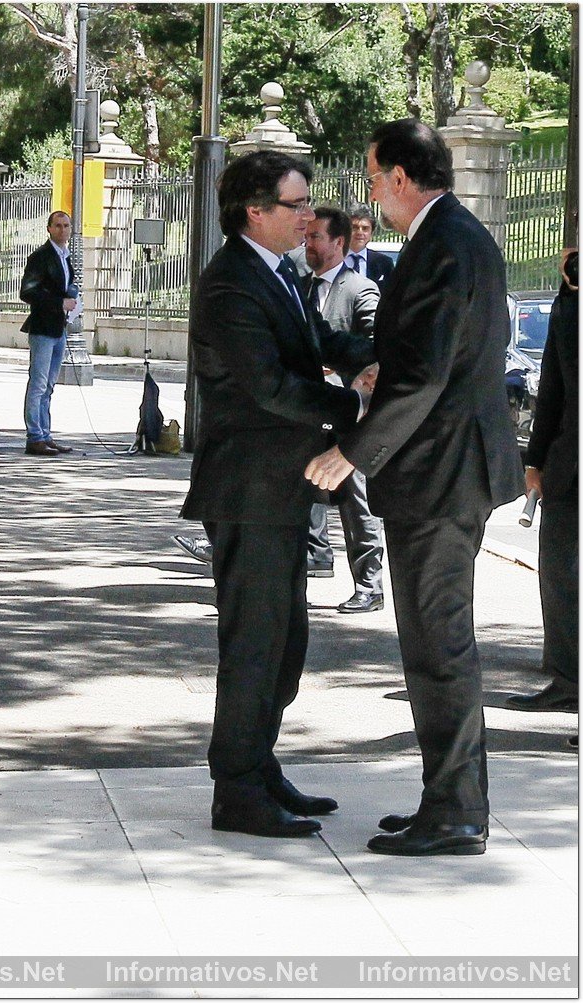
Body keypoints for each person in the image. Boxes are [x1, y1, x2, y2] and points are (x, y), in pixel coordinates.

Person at [307, 119, 525, 857]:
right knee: (433, 644)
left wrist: (354, 453)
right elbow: (422, 356)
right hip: (443, 470)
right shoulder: (449, 237)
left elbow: (429, 375)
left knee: (440, 646)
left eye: (373, 175)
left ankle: (459, 811)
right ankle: (447, 797)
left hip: (442, 475)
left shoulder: (447, 243)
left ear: (402, 178)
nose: (369, 189)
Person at [181, 150, 374, 840]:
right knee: (256, 643)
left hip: (281, 487)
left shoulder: (276, 270)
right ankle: (236, 787)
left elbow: (314, 339)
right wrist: (349, 405)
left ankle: (258, 764)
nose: (309, 216)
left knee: (285, 640)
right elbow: (267, 385)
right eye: (295, 205)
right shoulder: (232, 283)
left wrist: (365, 357)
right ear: (254, 211)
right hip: (249, 488)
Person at [301, 206, 385, 612]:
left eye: (317, 237)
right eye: (307, 236)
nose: (308, 243)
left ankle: (369, 583)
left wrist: (343, 367)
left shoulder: (360, 289)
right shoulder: (297, 287)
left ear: (339, 242)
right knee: (307, 483)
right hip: (309, 407)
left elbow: (374, 353)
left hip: (349, 410)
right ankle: (314, 555)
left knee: (355, 496)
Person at [507, 248, 578, 714]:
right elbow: (553, 380)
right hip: (570, 460)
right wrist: (536, 459)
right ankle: (568, 679)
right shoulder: (569, 298)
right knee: (560, 574)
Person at [17, 210, 78, 455]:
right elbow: (27, 292)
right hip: (42, 328)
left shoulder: (65, 257)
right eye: (58, 226)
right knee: (39, 384)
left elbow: (63, 286)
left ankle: (46, 433)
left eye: (66, 226)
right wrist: (58, 302)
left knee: (50, 385)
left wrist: (71, 295)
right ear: (49, 229)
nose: (63, 230)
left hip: (58, 328)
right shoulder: (41, 257)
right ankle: (35, 436)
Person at [345, 204, 395, 284]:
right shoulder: (332, 260)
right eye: (354, 227)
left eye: (365, 228)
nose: (360, 232)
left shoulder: (384, 263)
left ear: (371, 233)